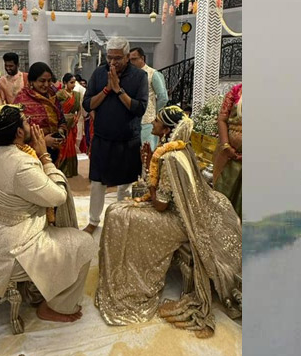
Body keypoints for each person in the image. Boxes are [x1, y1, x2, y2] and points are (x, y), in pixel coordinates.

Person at [96, 106, 241, 337]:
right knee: (119, 211)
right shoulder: (181, 148)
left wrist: (150, 181)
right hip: (182, 211)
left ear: (165, 129)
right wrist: (147, 163)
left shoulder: (170, 157)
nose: (152, 124)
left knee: (117, 214)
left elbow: (161, 204)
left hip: (177, 219)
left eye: (155, 121)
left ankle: (126, 280)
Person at [0, 105, 95, 322]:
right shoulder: (21, 165)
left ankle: (37, 287)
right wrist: (44, 157)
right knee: (84, 244)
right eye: (26, 121)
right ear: (17, 133)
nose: (31, 125)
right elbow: (57, 196)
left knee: (59, 235)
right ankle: (57, 306)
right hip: (9, 250)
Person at [82, 37, 149, 233]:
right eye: (110, 57)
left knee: (125, 186)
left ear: (128, 57)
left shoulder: (139, 77)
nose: (112, 62)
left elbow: (139, 109)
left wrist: (118, 90)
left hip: (127, 139)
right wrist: (107, 89)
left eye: (117, 58)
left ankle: (122, 221)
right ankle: (93, 221)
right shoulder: (99, 73)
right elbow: (88, 104)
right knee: (96, 184)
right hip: (102, 138)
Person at [15, 62, 78, 177]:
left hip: (53, 150)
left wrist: (60, 134)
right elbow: (17, 135)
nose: (46, 84)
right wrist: (43, 141)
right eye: (42, 81)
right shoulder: (21, 100)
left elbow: (61, 119)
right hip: (31, 155)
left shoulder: (52, 96)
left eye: (49, 81)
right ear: (31, 81)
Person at [128, 47, 169, 151]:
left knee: (147, 151)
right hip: (131, 119)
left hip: (147, 120)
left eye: (134, 59)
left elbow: (163, 97)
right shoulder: (129, 74)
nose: (131, 62)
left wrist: (154, 112)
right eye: (130, 60)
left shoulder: (152, 74)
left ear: (142, 58)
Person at [213, 83, 241, 219]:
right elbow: (222, 119)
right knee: (223, 197)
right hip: (230, 156)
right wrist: (226, 145)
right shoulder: (236, 91)